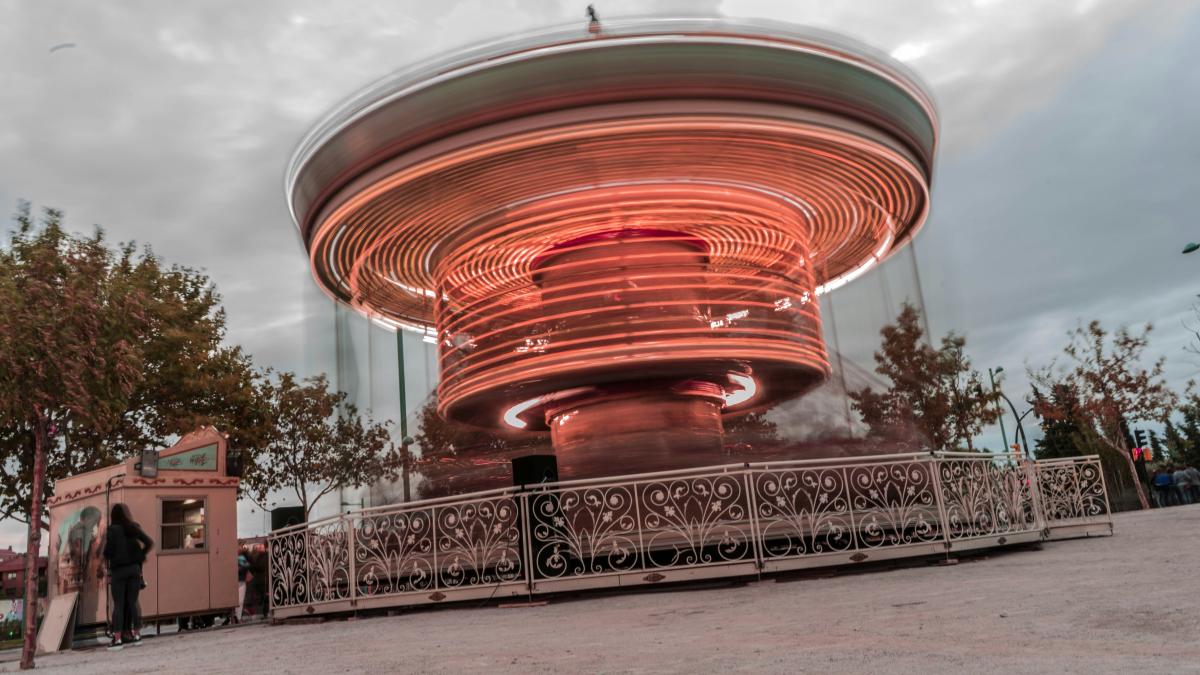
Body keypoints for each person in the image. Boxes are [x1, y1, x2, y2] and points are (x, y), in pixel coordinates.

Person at [102, 503, 153, 650]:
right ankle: (137, 635)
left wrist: (108, 558)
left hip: (119, 571)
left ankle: (117, 640)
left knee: (118, 605)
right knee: (133, 602)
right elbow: (149, 542)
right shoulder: (133, 527)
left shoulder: (112, 530)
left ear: (113, 516)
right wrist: (139, 557)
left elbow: (108, 552)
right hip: (134, 570)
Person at [234, 548, 251, 623]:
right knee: (240, 601)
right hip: (241, 582)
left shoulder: (237, 557)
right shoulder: (241, 557)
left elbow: (246, 566)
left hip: (236, 582)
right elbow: (247, 566)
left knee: (237, 601)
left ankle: (236, 617)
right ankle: (238, 618)